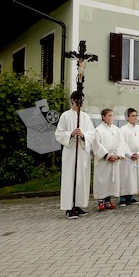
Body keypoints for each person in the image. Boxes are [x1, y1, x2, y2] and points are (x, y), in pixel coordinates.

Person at [55, 91, 96, 219]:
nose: (81, 103)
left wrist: (83, 135)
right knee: (70, 178)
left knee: (81, 179)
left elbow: (92, 133)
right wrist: (71, 134)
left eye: (82, 100)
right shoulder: (65, 116)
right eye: (79, 100)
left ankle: (78, 204)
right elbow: (59, 133)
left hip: (82, 151)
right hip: (71, 151)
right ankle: (69, 207)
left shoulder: (85, 117)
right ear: (72, 100)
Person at [93, 109, 127, 211]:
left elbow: (122, 143)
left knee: (111, 181)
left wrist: (118, 155)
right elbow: (96, 145)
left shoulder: (117, 130)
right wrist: (107, 155)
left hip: (114, 158)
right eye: (109, 115)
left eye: (113, 115)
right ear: (103, 117)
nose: (112, 117)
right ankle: (100, 201)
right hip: (104, 160)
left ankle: (108, 200)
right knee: (102, 180)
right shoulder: (98, 130)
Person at [119, 108, 139, 206]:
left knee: (135, 177)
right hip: (127, 158)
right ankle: (123, 197)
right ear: (127, 118)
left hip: (137, 157)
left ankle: (131, 196)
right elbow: (122, 143)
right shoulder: (123, 129)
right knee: (126, 177)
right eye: (133, 116)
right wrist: (130, 154)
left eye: (136, 115)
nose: (135, 117)